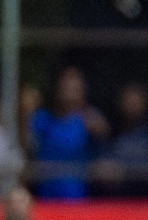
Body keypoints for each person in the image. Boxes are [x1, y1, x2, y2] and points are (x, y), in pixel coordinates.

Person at [30, 67, 109, 200]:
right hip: (45, 197)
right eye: (65, 87)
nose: (68, 92)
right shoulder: (43, 118)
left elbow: (104, 135)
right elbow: (27, 146)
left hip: (77, 198)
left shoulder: (88, 119)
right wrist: (25, 112)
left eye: (74, 88)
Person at [96, 83, 148, 198]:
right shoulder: (113, 137)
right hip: (119, 200)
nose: (132, 105)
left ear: (145, 104)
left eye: (136, 102)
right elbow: (102, 164)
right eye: (128, 101)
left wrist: (124, 171)